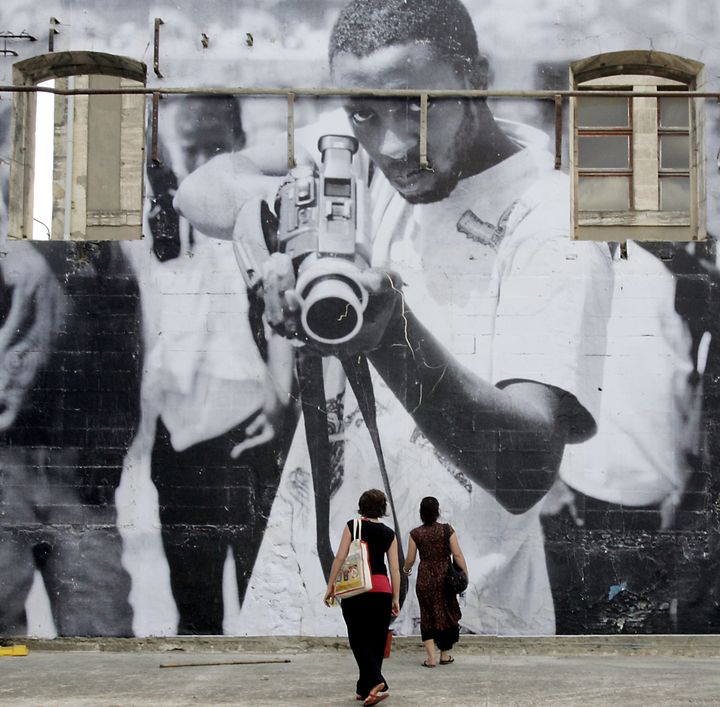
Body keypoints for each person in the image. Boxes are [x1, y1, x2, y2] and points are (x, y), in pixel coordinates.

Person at [174, 0, 613, 635]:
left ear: (477, 78)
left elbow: (524, 469)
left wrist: (386, 336)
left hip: (461, 619)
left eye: (421, 106)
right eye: (365, 115)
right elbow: (203, 187)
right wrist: (287, 222)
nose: (394, 143)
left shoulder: (550, 217)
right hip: (312, 596)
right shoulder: (359, 140)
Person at [142, 95, 296, 634]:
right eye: (192, 149)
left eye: (217, 148)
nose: (205, 161)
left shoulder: (256, 217)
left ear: (238, 145)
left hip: (249, 430)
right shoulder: (156, 224)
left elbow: (278, 306)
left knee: (262, 596)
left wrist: (280, 395)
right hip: (182, 438)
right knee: (195, 605)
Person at [0, 239, 140, 636]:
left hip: (79, 473)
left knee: (102, 634)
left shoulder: (101, 250)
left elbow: (124, 346)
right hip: (6, 467)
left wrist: (110, 448)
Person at [324, 489, 400, 706]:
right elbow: (394, 569)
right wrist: (395, 597)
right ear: (382, 508)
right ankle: (364, 688)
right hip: (382, 590)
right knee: (376, 641)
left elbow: (340, 558)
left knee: (358, 638)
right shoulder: (389, 534)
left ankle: (377, 681)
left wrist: (331, 586)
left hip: (357, 589)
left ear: (361, 505)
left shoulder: (353, 526)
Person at [403, 496, 468, 667]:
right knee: (446, 613)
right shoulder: (447, 530)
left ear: (421, 513)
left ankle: (431, 658)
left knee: (428, 615)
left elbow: (410, 559)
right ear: (438, 511)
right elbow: (457, 554)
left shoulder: (415, 534)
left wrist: (406, 570)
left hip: (425, 578)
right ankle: (444, 655)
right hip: (445, 579)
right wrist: (465, 573)